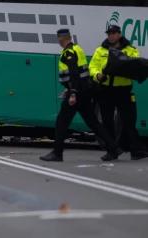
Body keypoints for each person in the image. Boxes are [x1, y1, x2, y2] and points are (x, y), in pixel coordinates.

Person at [40, 29, 122, 162]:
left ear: (60, 40)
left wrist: (72, 93)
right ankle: (114, 147)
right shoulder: (77, 48)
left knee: (61, 122)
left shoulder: (69, 53)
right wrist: (70, 89)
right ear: (70, 37)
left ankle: (57, 153)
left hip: (77, 93)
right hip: (83, 91)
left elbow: (74, 74)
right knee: (93, 123)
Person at [89, 24, 148, 160]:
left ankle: (136, 150)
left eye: (114, 33)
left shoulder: (131, 50)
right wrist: (97, 75)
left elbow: (136, 65)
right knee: (108, 121)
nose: (111, 35)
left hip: (124, 90)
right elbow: (92, 67)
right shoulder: (100, 50)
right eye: (109, 33)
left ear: (119, 35)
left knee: (129, 120)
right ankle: (112, 151)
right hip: (106, 90)